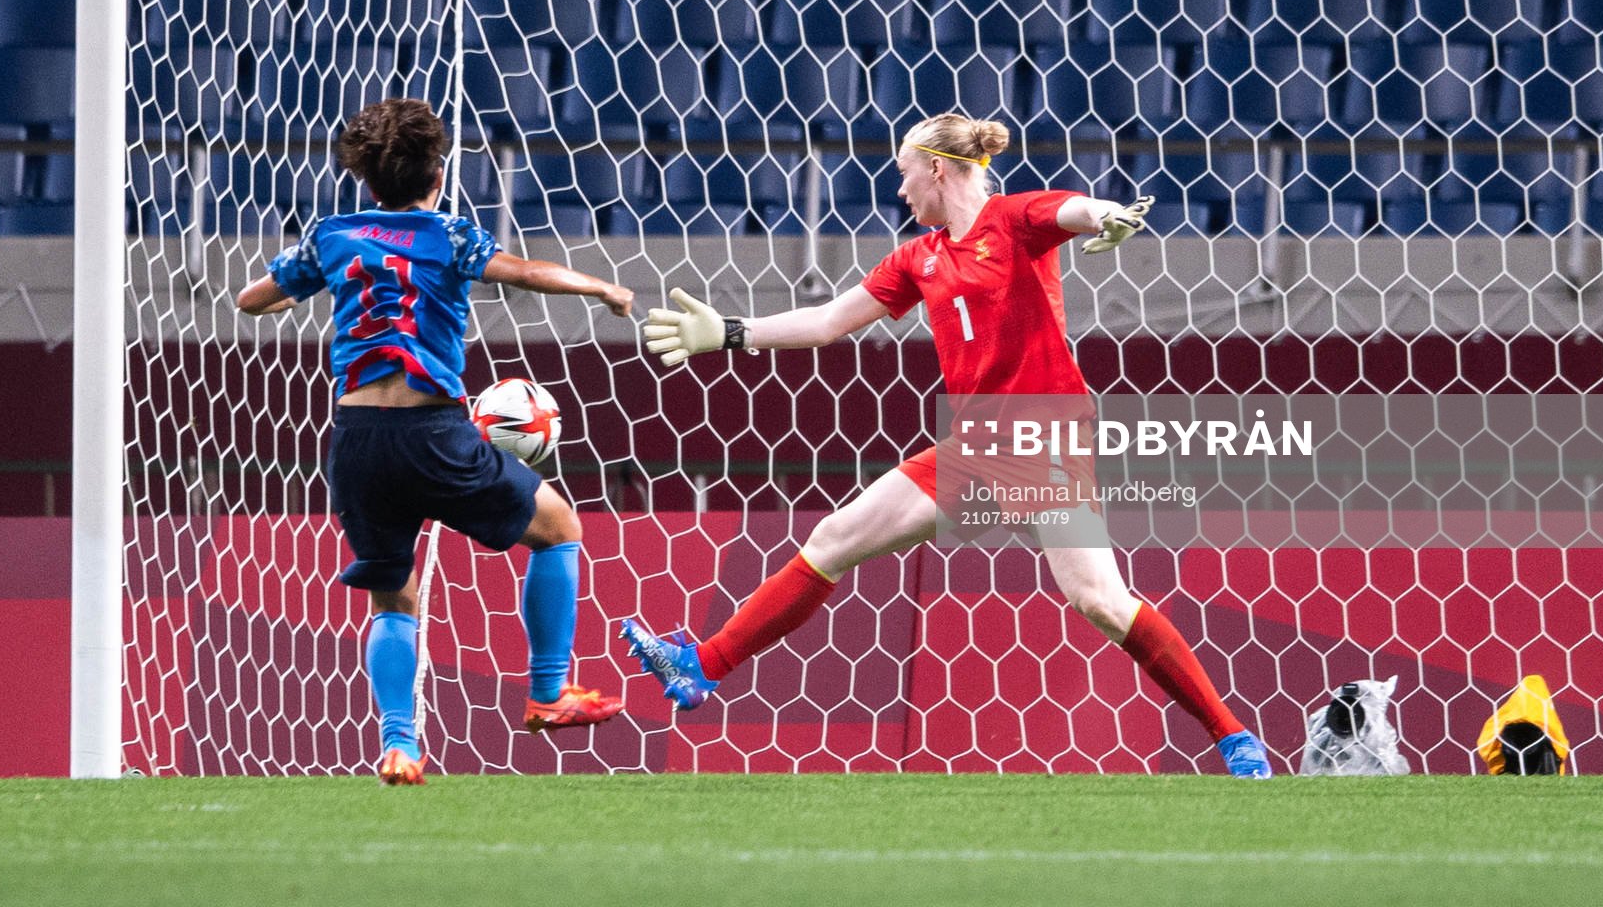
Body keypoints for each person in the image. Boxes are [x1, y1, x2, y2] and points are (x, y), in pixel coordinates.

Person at [621, 111, 1272, 778]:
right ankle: (702, 664)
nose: (900, 190)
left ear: (936, 167)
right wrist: (731, 331)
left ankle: (1233, 736)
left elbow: (1075, 210)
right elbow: (826, 321)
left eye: (904, 173)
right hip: (977, 445)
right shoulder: (919, 257)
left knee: (1099, 601)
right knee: (834, 540)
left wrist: (1109, 216)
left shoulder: (1014, 219)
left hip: (1040, 434)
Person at [236, 97, 633, 785]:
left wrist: (296, 286)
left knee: (393, 595)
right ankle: (546, 692)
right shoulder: (450, 235)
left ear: (367, 182)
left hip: (357, 440)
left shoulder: (332, 236)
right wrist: (601, 287)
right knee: (559, 527)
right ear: (437, 175)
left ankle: (399, 745)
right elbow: (528, 272)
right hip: (433, 433)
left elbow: (250, 299)